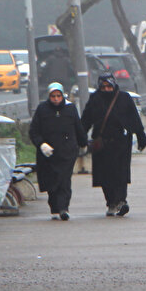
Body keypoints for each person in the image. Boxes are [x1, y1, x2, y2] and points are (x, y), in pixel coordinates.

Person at [80, 73, 146, 217]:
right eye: (103, 87)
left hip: (121, 142)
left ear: (114, 85)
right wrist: (80, 138)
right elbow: (85, 120)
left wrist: (141, 136)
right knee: (105, 176)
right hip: (102, 144)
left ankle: (122, 201)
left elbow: (134, 118)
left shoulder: (124, 98)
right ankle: (111, 202)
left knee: (121, 174)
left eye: (109, 86)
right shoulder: (95, 99)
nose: (107, 89)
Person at [28, 82, 86, 220]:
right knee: (52, 182)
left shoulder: (70, 109)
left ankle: (63, 208)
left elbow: (78, 128)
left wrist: (83, 143)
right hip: (48, 153)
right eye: (53, 96)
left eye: (58, 96)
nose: (56, 99)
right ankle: (55, 206)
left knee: (64, 181)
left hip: (67, 152)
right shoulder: (42, 109)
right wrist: (41, 144)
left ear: (62, 95)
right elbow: (34, 131)